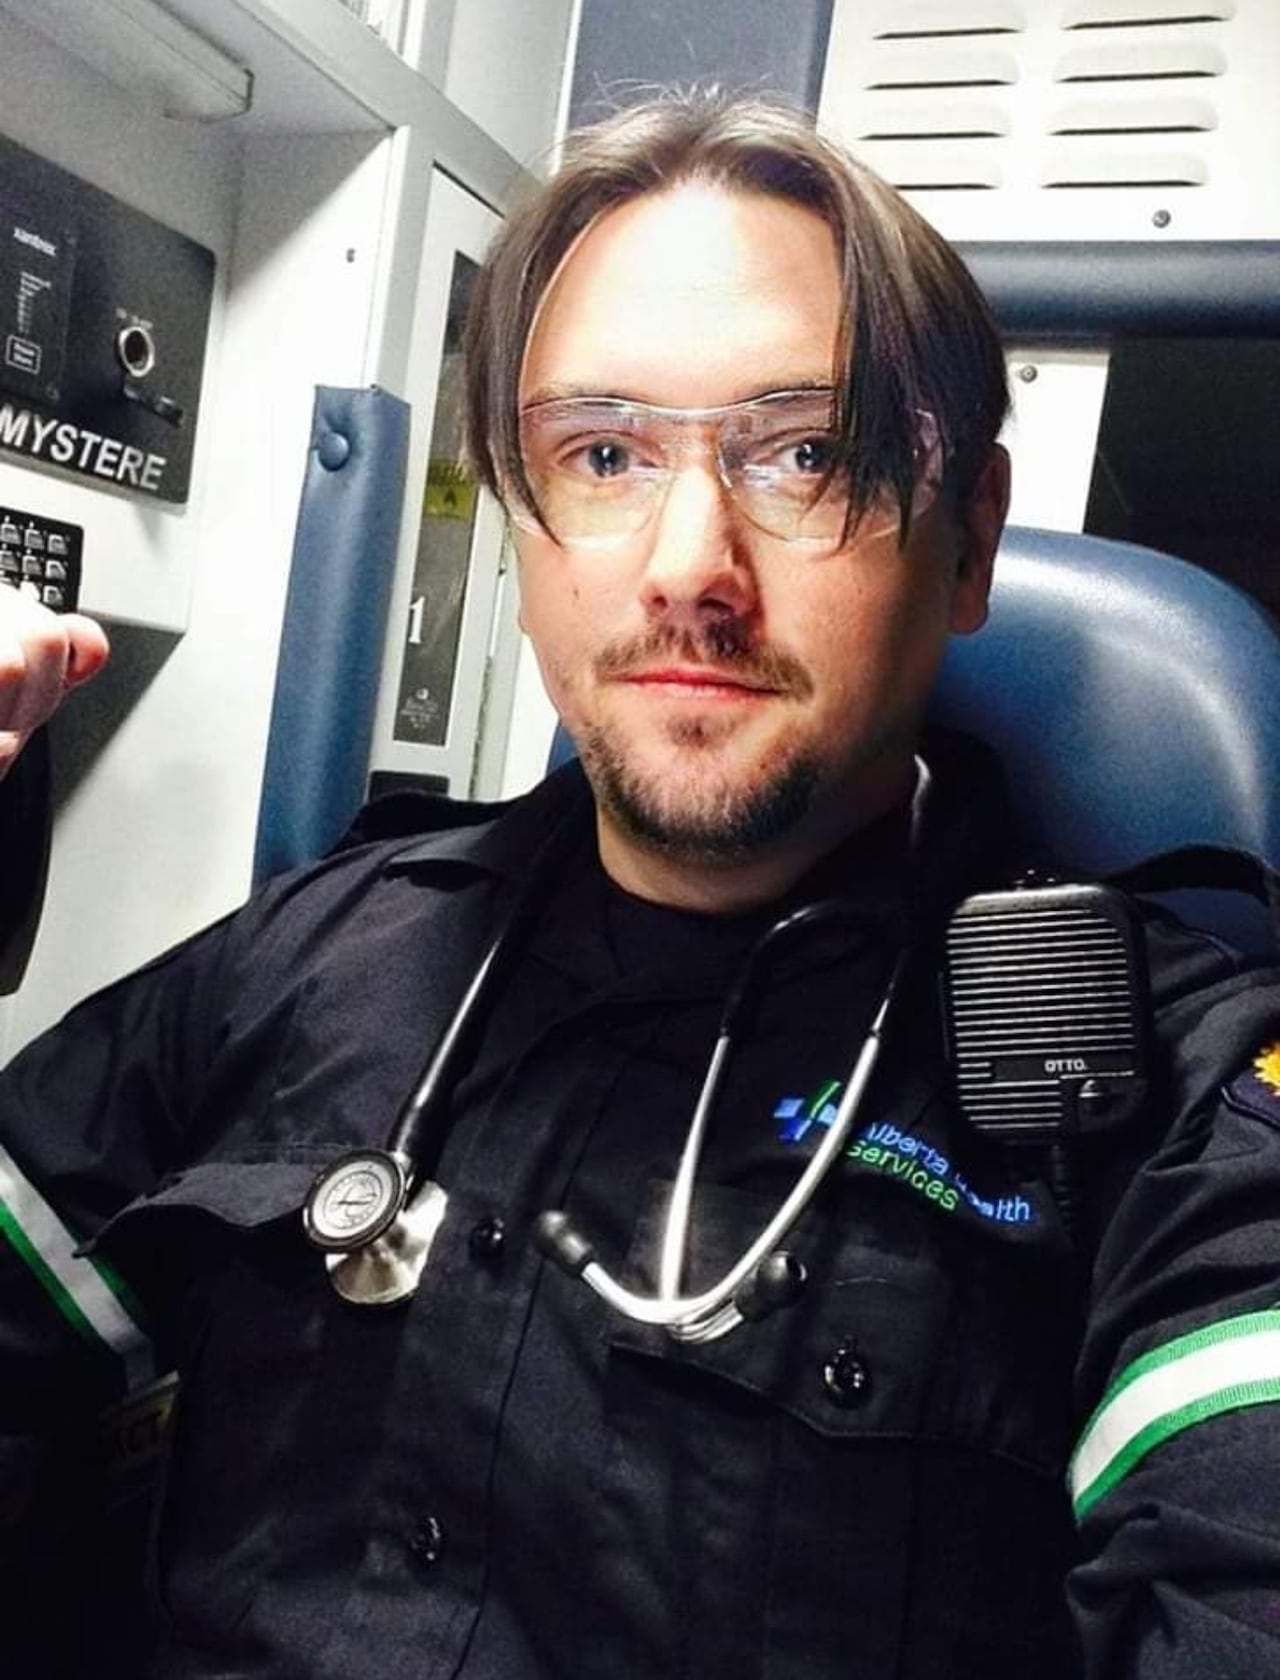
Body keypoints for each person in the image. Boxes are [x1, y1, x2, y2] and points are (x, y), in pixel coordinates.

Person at [1, 89, 1279, 1680]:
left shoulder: (1182, 1109)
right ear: (525, 522)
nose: (689, 562)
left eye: (805, 451)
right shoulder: (313, 954)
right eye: (602, 452)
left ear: (970, 544)